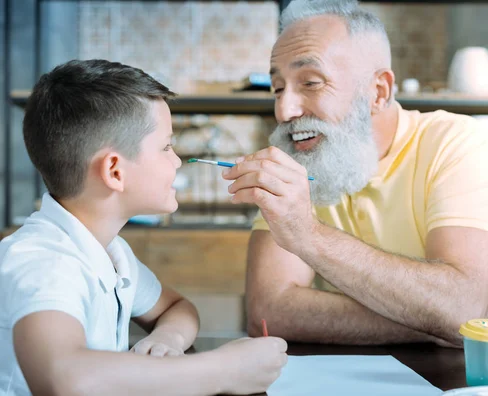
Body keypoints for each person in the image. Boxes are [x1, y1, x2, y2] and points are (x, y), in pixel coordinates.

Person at [223, 0, 488, 347]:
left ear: (378, 92)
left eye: (310, 82)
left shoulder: (456, 143)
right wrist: (437, 319)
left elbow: (459, 306)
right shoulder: (298, 162)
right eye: (278, 88)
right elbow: (268, 312)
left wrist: (307, 235)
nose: (284, 109)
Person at [0, 59, 287, 396]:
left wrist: (168, 339)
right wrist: (225, 370)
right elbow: (63, 379)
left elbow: (176, 308)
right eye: (167, 146)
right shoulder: (44, 262)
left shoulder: (111, 251)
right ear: (115, 171)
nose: (177, 160)